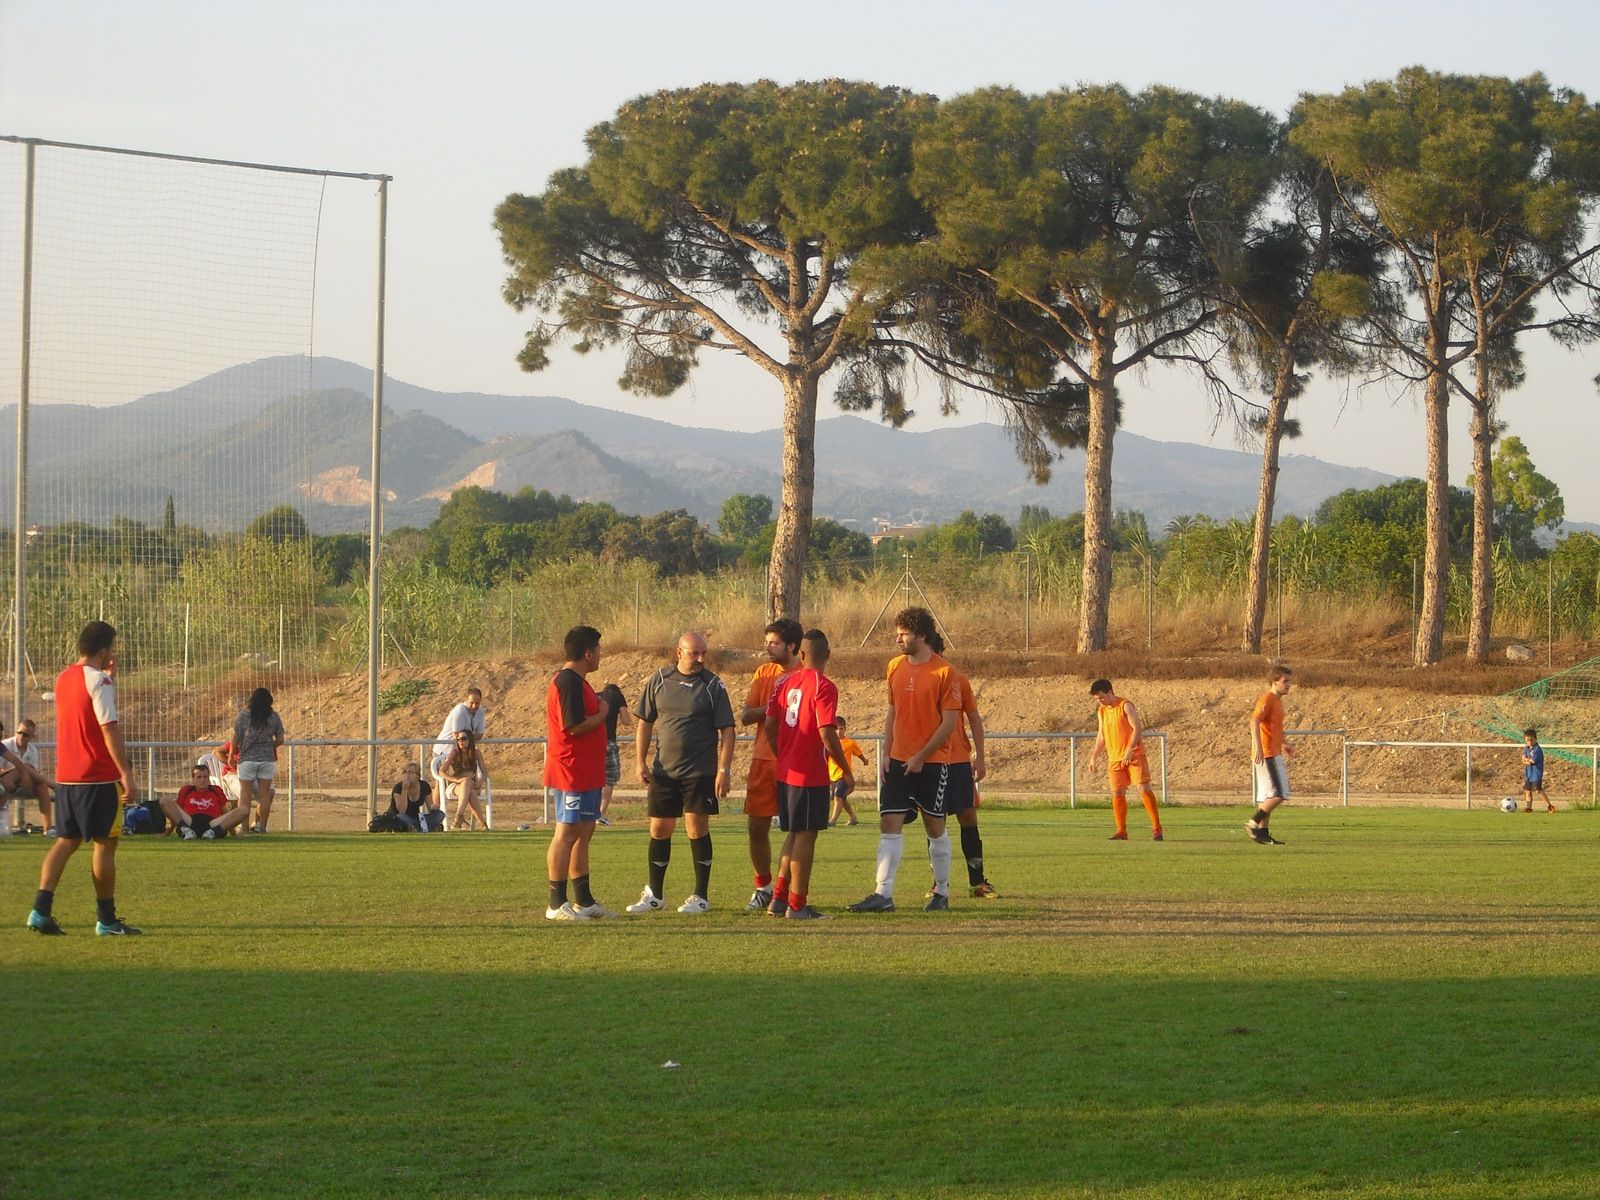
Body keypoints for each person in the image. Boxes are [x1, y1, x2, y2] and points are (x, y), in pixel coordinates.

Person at [848, 606, 967, 914]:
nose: (897, 638)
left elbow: (949, 723)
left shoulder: (945, 673)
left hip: (933, 763)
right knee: (889, 822)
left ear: (922, 636)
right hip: (899, 761)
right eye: (897, 633)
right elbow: (892, 712)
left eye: (904, 633)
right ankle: (883, 894)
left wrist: (921, 756)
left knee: (934, 826)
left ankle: (941, 892)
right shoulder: (894, 667)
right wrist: (887, 752)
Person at [26, 620, 141, 936]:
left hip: (67, 777)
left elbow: (83, 717)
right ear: (104, 650)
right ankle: (107, 920)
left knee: (67, 840)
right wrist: (126, 774)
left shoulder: (64, 679)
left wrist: (108, 680)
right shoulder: (99, 681)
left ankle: (40, 910)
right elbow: (108, 729)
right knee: (106, 843)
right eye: (111, 649)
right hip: (97, 777)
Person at [625, 632, 735, 914]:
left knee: (696, 830)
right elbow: (645, 723)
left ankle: (700, 896)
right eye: (694, 653)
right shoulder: (659, 680)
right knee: (659, 829)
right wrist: (640, 761)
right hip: (664, 772)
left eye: (703, 653)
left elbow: (728, 730)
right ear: (679, 652)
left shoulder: (712, 685)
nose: (700, 658)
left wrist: (723, 769)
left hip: (700, 772)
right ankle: (655, 895)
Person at [762, 628, 852, 920]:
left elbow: (771, 724)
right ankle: (797, 905)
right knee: (806, 837)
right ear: (828, 655)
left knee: (793, 834)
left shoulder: (783, 683)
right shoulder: (823, 685)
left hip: (786, 770)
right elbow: (826, 731)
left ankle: (778, 898)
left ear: (800, 654)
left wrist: (781, 753)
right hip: (810, 773)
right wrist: (846, 770)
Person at [543, 625, 615, 920]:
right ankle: (556, 903)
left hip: (587, 770)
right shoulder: (568, 682)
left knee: (585, 830)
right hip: (570, 769)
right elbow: (571, 726)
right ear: (588, 653)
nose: (600, 656)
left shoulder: (580, 682)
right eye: (598, 651)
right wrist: (602, 714)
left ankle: (584, 901)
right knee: (567, 831)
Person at [739, 618, 803, 912]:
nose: (768, 647)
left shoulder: (805, 674)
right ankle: (763, 886)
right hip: (763, 759)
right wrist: (772, 709)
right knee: (756, 827)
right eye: (767, 641)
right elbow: (746, 715)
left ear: (791, 646)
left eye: (774, 642)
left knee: (796, 829)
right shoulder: (763, 672)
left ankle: (782, 890)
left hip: (794, 761)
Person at [929, 632, 999, 897]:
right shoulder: (913, 678)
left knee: (968, 818)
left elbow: (974, 719)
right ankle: (938, 883)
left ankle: (977, 882)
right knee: (934, 822)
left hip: (958, 761)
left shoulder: (958, 680)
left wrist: (980, 757)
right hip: (931, 762)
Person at [1087, 678, 1163, 842]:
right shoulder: (1102, 711)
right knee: (1117, 793)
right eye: (1097, 699)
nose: (1100, 701)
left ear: (1110, 692)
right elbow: (1101, 735)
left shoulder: (1125, 705)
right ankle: (1121, 831)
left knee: (1143, 788)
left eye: (1101, 697)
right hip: (1114, 758)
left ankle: (1157, 829)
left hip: (1134, 755)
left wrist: (1129, 749)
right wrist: (1094, 756)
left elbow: (1137, 728)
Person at [1246, 663, 1294, 845]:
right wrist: (1257, 747)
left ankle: (1262, 834)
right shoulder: (1267, 699)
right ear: (1275, 681)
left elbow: (1274, 728)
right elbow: (1254, 721)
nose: (1289, 685)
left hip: (1272, 750)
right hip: (1267, 753)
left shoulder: (1277, 702)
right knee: (1280, 793)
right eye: (1285, 681)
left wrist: (1284, 743)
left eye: (1290, 681)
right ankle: (1253, 823)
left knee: (1268, 796)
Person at [233, 687, 285, 833]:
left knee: (245, 793)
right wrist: (270, 746)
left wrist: (231, 755)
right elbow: (280, 739)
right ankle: (261, 827)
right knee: (265, 794)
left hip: (247, 758)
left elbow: (236, 737)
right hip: (267, 760)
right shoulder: (274, 716)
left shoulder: (244, 715)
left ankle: (243, 827)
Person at [161, 761, 249, 840]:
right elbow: (176, 814)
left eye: (205, 777)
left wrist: (234, 834)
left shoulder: (216, 790)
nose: (202, 780)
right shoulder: (186, 790)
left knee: (244, 810)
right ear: (193, 779)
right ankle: (186, 831)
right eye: (199, 777)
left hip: (212, 824)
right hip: (190, 822)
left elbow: (225, 813)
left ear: (208, 778)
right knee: (164, 800)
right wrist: (168, 832)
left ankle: (212, 833)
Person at [1, 718, 56, 835]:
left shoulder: (32, 750)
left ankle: (48, 829)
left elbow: (34, 773)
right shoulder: (5, 745)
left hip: (24, 784)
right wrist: (22, 770)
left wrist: (25, 773)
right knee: (24, 766)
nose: (21, 736)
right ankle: (55, 786)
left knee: (41, 786)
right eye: (19, 732)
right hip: (6, 782)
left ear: (32, 737)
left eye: (25, 735)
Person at [431, 686, 486, 786]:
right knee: (441, 783)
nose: (474, 706)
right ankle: (436, 802)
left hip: (461, 751)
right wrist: (466, 739)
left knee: (466, 780)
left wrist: (466, 738)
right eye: (471, 703)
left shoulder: (480, 712)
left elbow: (480, 734)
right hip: (444, 749)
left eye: (477, 703)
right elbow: (457, 735)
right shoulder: (459, 711)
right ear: (466, 700)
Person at [438, 729, 490, 830]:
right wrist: (456, 780)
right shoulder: (454, 753)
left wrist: (480, 781)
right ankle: (480, 823)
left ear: (469, 740)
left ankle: (461, 819)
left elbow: (484, 772)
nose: (461, 741)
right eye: (458, 739)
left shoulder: (477, 753)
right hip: (456, 786)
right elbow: (441, 772)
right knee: (467, 784)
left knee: (470, 790)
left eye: (464, 739)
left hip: (473, 785)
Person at [597, 681, 628, 825]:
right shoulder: (617, 696)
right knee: (609, 780)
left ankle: (589, 813)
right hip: (608, 742)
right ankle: (601, 814)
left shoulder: (596, 696)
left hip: (593, 743)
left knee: (593, 780)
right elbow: (626, 720)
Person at [827, 715, 866, 827]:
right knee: (842, 798)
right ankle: (853, 818)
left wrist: (864, 760)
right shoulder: (829, 742)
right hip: (833, 775)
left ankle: (832, 821)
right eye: (836, 729)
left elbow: (859, 753)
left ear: (845, 729)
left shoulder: (849, 743)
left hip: (844, 775)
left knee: (838, 796)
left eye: (841, 729)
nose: (839, 731)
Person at [387, 761, 438, 831]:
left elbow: (430, 809)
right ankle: (420, 827)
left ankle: (419, 827)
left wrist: (434, 810)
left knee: (440, 814)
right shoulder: (398, 787)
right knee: (402, 817)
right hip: (398, 817)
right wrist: (404, 790)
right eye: (405, 772)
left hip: (416, 817)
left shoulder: (424, 786)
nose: (407, 775)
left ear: (417, 775)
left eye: (410, 772)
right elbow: (401, 811)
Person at [1522, 728, 1554, 814]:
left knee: (1538, 790)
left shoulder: (1537, 750)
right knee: (1527, 791)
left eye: (1531, 740)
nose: (1529, 742)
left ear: (1535, 739)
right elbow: (1523, 758)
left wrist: (1527, 760)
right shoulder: (1527, 748)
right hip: (1528, 774)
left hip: (1536, 774)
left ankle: (1549, 806)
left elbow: (1532, 761)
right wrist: (1526, 760)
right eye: (1527, 740)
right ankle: (1529, 808)